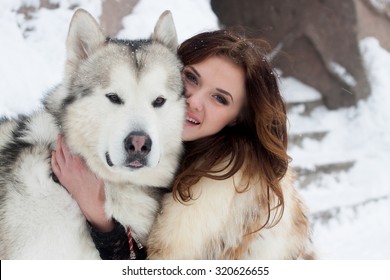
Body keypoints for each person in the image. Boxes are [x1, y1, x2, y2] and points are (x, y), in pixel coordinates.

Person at [51, 29, 314, 260]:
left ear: (237, 119)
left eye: (219, 99)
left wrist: (99, 217)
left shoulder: (231, 188)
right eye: (192, 78)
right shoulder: (178, 147)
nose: (193, 100)